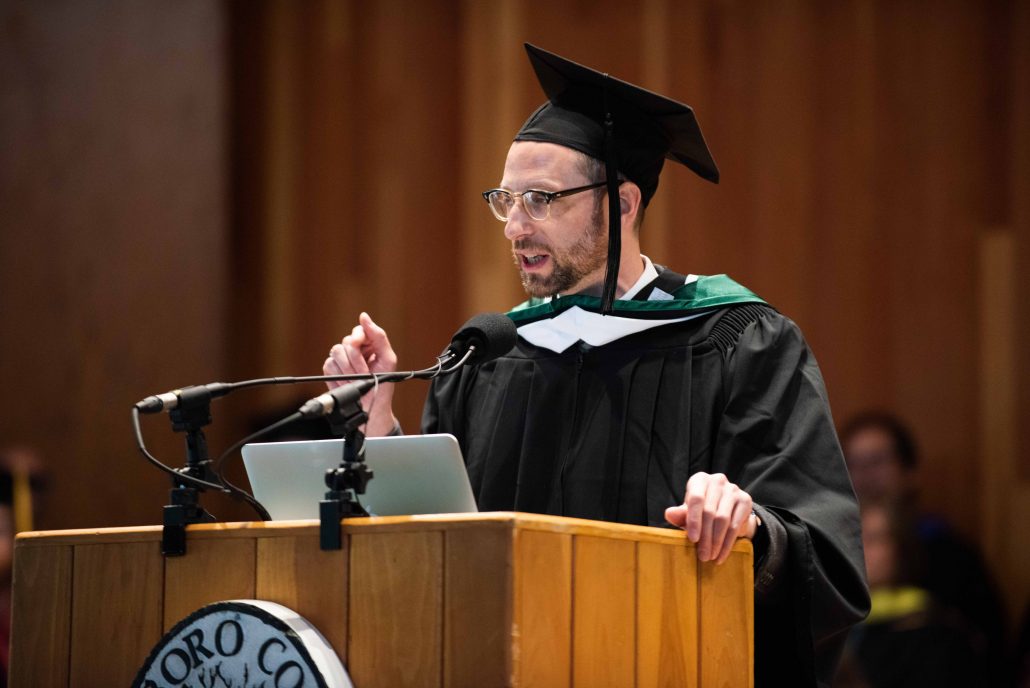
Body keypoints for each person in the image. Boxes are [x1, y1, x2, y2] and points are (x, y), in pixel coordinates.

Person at [324, 44, 869, 686]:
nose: (514, 228)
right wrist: (381, 429)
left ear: (623, 203)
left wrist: (752, 526)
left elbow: (823, 559)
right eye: (507, 199)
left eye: (542, 201)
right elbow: (437, 550)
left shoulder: (736, 341)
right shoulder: (489, 354)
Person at [840, 412, 1007, 684]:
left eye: (877, 462)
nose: (864, 477)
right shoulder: (828, 566)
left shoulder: (948, 557)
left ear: (910, 471)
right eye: (852, 464)